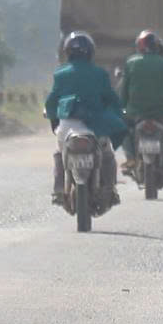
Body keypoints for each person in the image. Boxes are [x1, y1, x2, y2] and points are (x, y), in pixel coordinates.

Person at [45, 32, 125, 204]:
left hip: (67, 126)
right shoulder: (100, 74)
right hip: (95, 127)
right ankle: (110, 189)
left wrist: (52, 117)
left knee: (60, 154)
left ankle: (58, 190)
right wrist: (117, 114)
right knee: (107, 154)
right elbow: (111, 99)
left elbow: (51, 102)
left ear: (67, 52)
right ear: (90, 52)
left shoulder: (60, 74)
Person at [118, 29, 163, 170]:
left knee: (123, 129)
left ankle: (130, 158)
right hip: (162, 112)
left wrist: (122, 108)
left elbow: (124, 90)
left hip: (135, 112)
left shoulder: (131, 63)